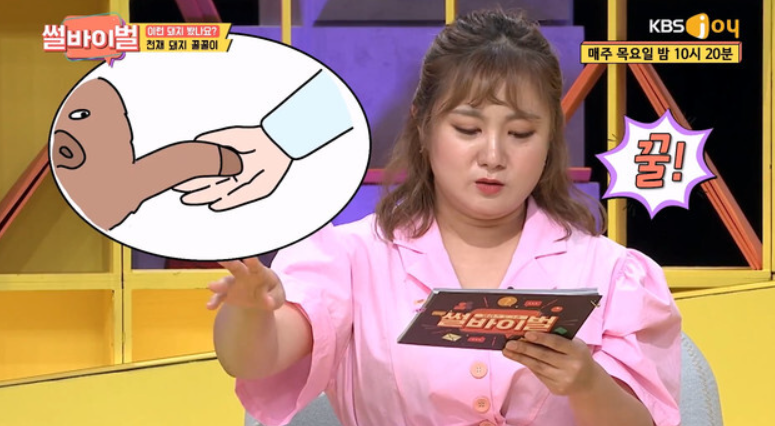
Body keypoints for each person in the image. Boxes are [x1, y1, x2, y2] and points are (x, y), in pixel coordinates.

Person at [207, 9, 682, 426]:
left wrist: (587, 383)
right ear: (423, 124)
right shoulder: (350, 258)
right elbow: (255, 358)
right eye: (468, 129)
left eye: (520, 133)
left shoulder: (612, 273)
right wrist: (249, 311)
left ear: (550, 138)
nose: (493, 156)